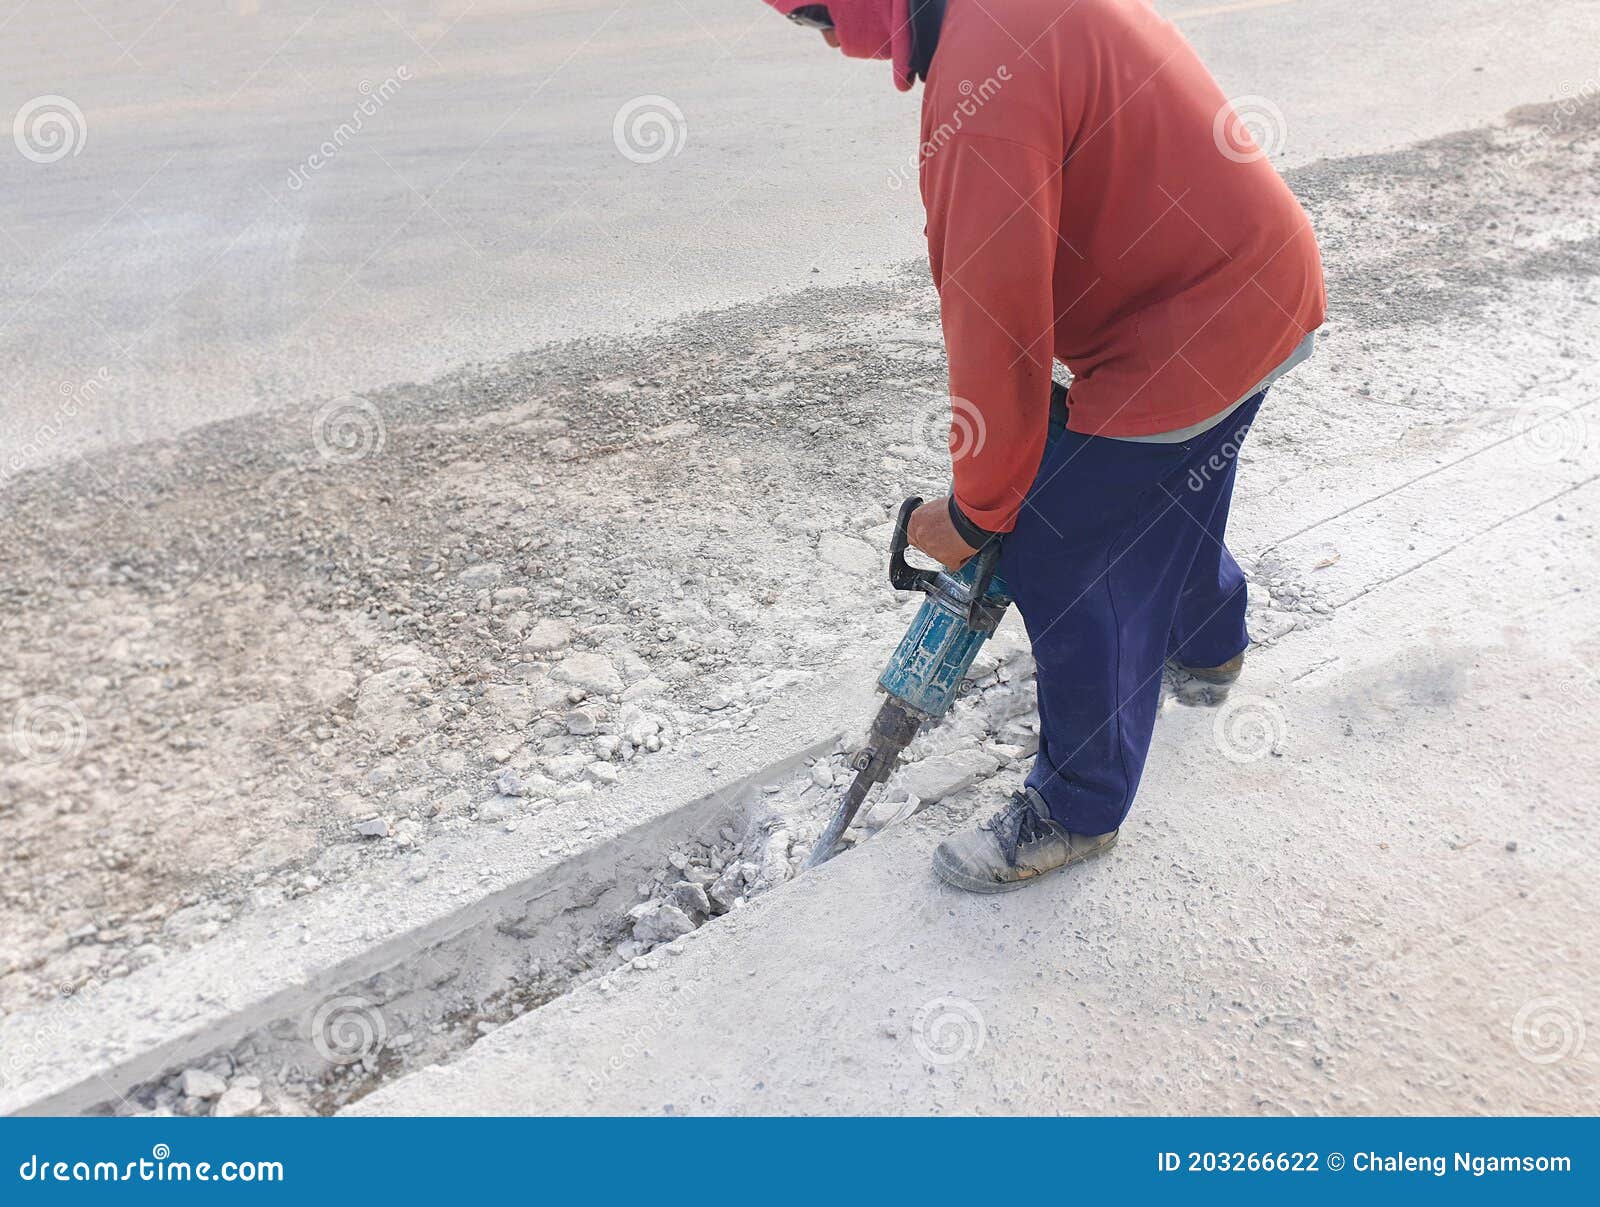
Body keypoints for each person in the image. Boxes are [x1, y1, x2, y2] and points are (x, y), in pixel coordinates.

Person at [762, 0, 1326, 891]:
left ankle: (1077, 806)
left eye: (812, 17)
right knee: (1165, 484)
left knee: (1060, 545)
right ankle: (1209, 646)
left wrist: (979, 513)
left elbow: (1000, 332)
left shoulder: (980, 93)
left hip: (1192, 328)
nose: (829, 41)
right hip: (1264, 282)